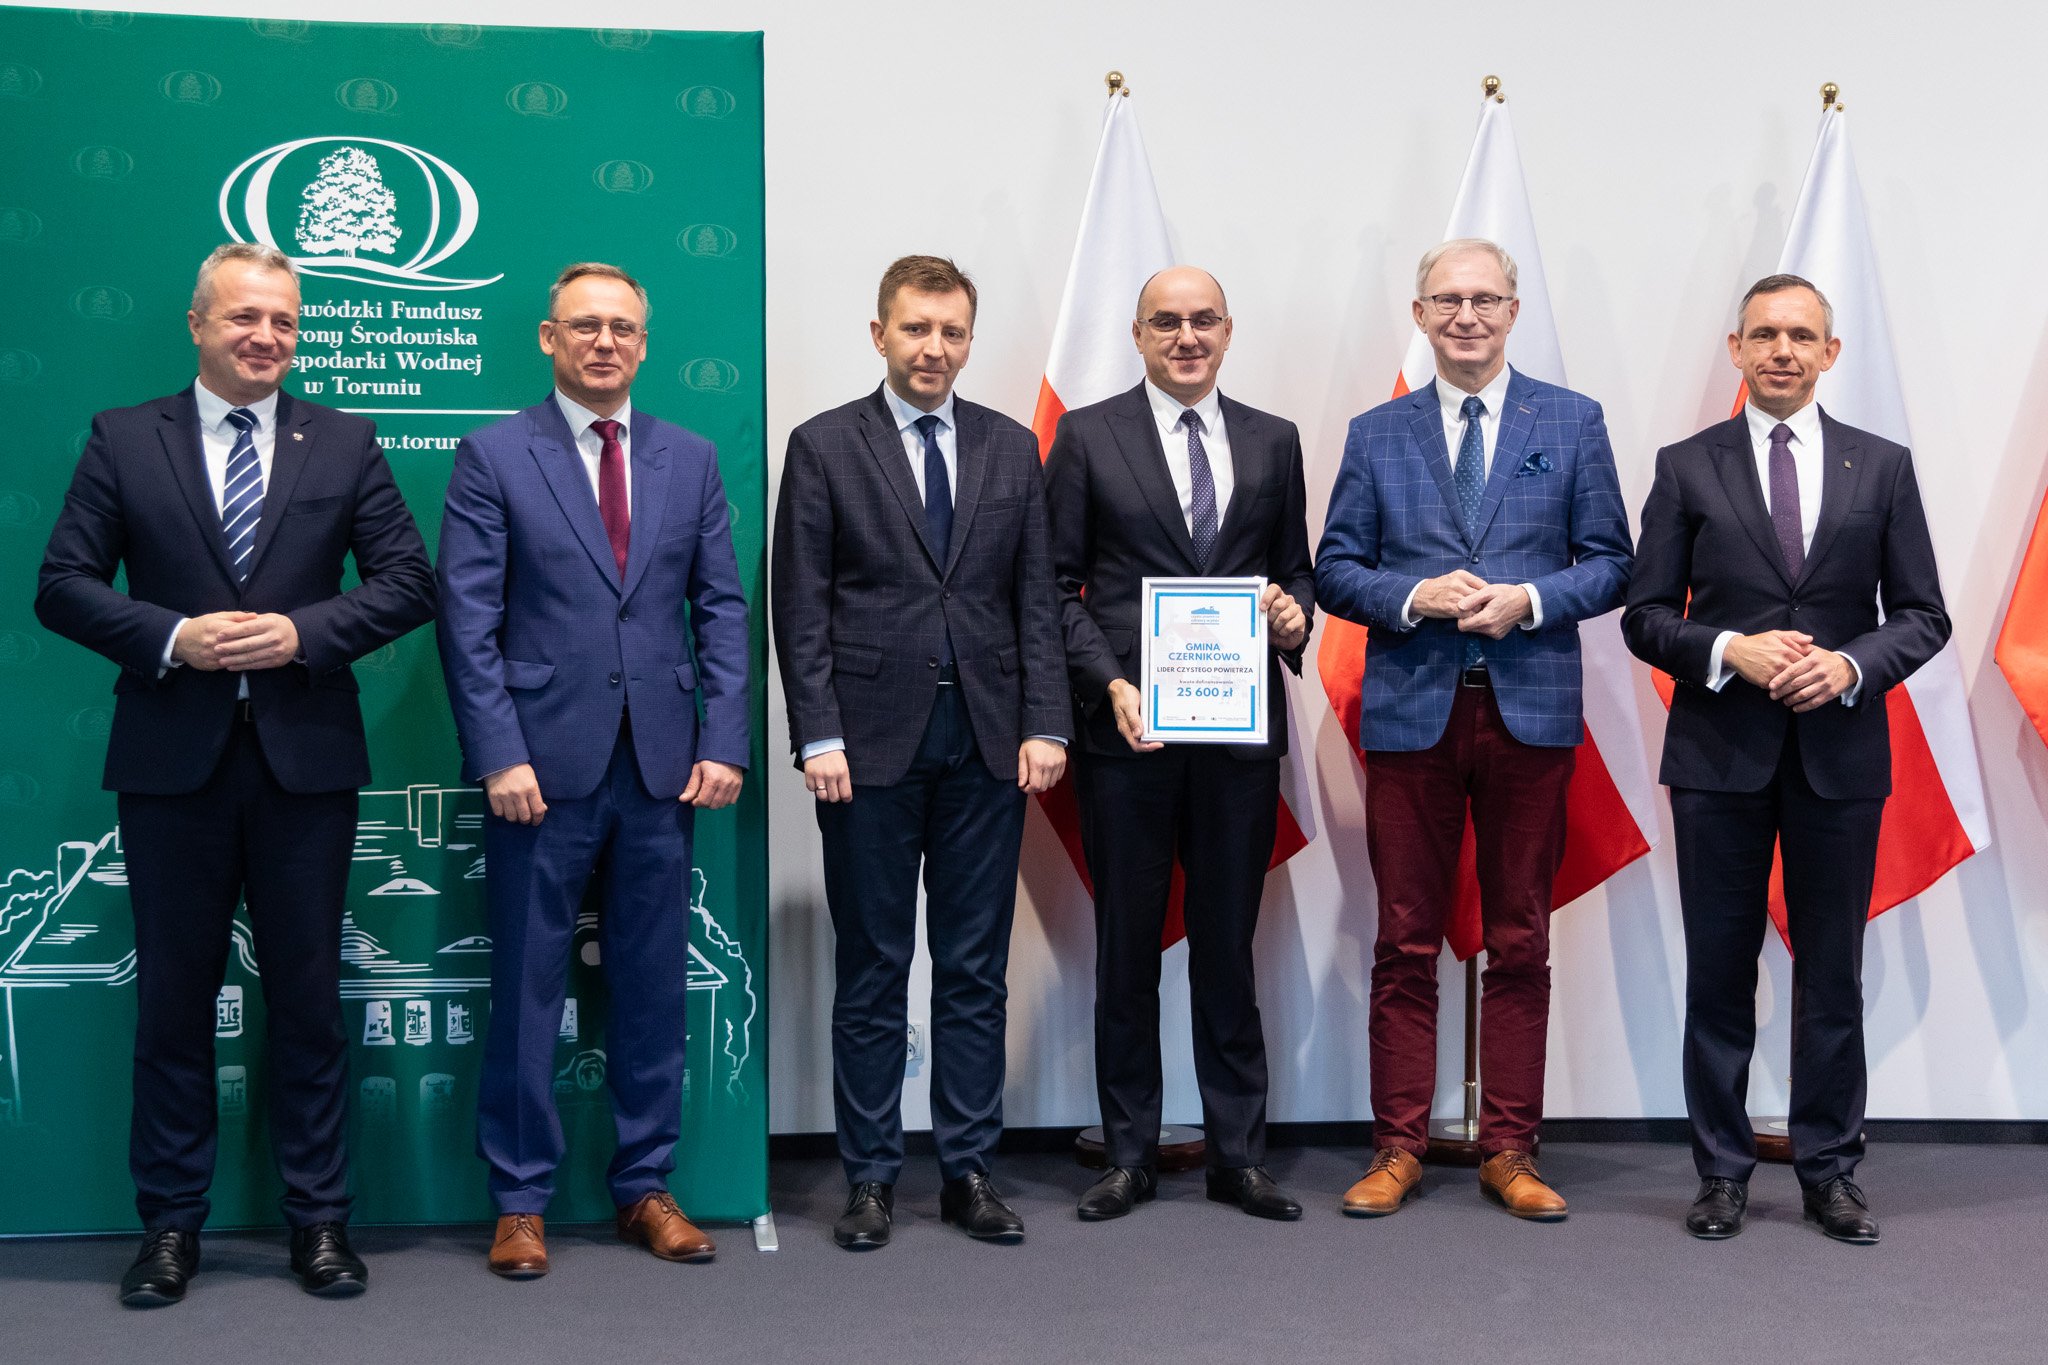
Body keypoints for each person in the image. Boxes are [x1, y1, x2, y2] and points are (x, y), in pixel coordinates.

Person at [35, 242, 436, 1305]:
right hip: (173, 766)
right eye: (245, 317)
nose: (266, 337)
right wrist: (174, 637)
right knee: (174, 1004)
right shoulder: (125, 438)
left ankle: (320, 1221)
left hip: (307, 766)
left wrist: (303, 634)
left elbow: (408, 581)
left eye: (284, 322)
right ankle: (169, 1227)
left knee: (310, 1000)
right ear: (198, 323)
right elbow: (62, 583)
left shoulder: (344, 440)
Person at [436, 262, 750, 1277]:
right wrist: (499, 752)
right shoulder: (493, 454)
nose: (604, 342)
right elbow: (467, 620)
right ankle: (519, 1199)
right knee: (528, 987)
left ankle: (644, 1186)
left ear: (644, 344)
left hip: (662, 767)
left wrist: (723, 738)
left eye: (621, 327)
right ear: (548, 338)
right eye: (584, 326)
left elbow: (722, 608)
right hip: (538, 769)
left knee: (652, 986)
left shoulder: (689, 458)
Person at [1623, 274, 1948, 1244]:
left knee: (1832, 974)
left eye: (1800, 336)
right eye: (1763, 333)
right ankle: (1720, 1173)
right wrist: (1729, 649)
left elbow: (1923, 615)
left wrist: (1850, 666)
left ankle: (1829, 1170)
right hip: (1717, 757)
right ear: (1734, 348)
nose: (1781, 350)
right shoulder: (1686, 465)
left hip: (1838, 760)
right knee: (1718, 974)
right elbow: (1644, 616)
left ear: (1829, 353)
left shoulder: (1881, 466)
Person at [1315, 238, 1632, 1223]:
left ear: (1512, 311)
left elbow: (1611, 563)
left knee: (1519, 938)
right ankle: (1397, 1146)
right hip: (1411, 713)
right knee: (1403, 939)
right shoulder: (1376, 432)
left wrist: (1527, 600)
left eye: (1484, 299)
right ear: (1418, 314)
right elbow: (1334, 569)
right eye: (1446, 300)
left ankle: (1510, 1149)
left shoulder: (1571, 421)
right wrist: (1414, 596)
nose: (1465, 316)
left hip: (1528, 714)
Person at [773, 255, 1069, 1249]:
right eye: (915, 328)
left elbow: (1035, 597)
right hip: (864, 749)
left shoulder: (1009, 447)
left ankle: (968, 1171)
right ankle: (868, 1176)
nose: (933, 347)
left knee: (973, 969)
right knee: (873, 966)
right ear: (879, 334)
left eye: (950, 331)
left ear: (968, 340)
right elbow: (800, 605)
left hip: (989, 744)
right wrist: (817, 732)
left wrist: (1046, 721)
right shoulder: (823, 445)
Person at [1045, 266, 1313, 1224]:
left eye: (1203, 320)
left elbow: (1296, 574)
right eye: (1166, 321)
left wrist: (1293, 617)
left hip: (1238, 745)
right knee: (1126, 950)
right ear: (1137, 334)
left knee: (1228, 951)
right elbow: (1056, 588)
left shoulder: (1274, 439)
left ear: (1229, 330)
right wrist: (1110, 684)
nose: (1186, 336)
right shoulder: (1087, 436)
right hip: (1131, 737)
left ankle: (1239, 1156)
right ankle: (1130, 1154)